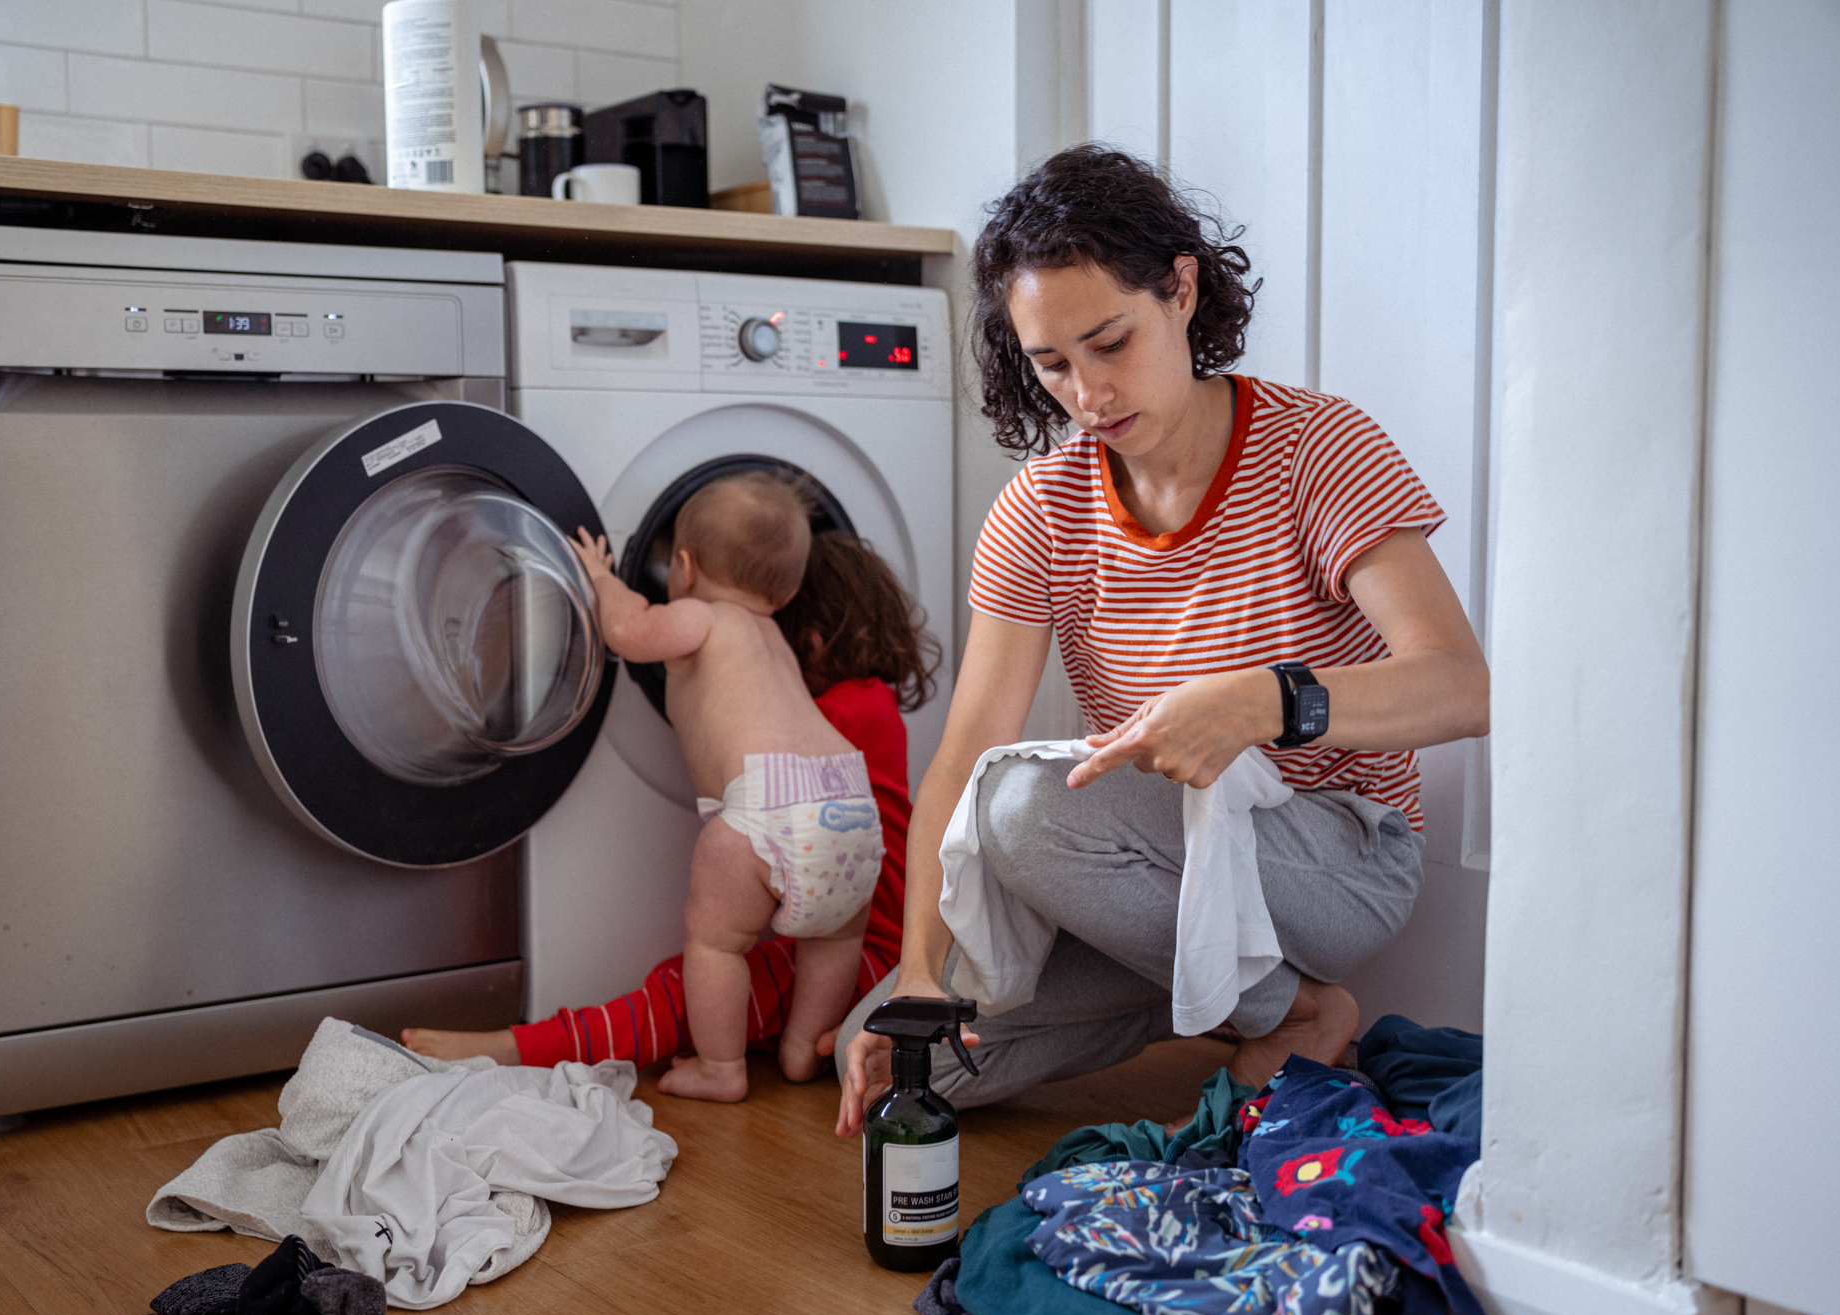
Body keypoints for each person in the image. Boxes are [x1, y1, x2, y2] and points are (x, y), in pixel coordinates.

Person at [833, 146, 1491, 1138]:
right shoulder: (1040, 509)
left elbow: (1463, 687)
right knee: (905, 1067)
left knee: (1023, 809)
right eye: (1053, 363)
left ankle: (1293, 1004)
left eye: (1110, 342)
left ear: (1181, 288)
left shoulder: (1320, 449)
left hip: (1337, 855)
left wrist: (1264, 701)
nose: (1089, 393)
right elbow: (961, 754)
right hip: (1152, 869)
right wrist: (922, 971)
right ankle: (1245, 1002)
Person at [404, 530, 938, 1085]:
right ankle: (798, 1052)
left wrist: (608, 584)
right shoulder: (869, 707)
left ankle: (519, 1047)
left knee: (688, 990)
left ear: (813, 640)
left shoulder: (829, 711)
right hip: (857, 930)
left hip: (881, 969)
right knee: (715, 976)